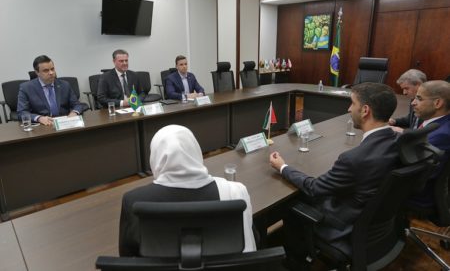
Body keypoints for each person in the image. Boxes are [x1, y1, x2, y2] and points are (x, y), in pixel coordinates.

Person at [269, 82, 400, 261]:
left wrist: (282, 167)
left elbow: (314, 187)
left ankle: (294, 261)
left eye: (352, 103)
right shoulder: (397, 140)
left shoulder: (353, 159)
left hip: (344, 225)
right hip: (377, 226)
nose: (348, 109)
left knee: (289, 202)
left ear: (365, 110)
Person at [119, 125, 256, 257]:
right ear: (195, 152)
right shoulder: (236, 192)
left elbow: (128, 258)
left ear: (155, 157)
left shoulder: (133, 201)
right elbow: (252, 241)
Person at [409, 80, 450, 208]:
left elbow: (413, 173)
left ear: (437, 103)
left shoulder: (441, 135)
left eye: (419, 99)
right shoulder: (438, 124)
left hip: (418, 198)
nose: (413, 103)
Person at [17, 55, 83, 126]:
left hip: (64, 124)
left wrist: (74, 113)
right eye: (46, 70)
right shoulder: (26, 88)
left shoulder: (64, 85)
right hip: (43, 126)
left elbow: (77, 105)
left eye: (52, 69)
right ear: (37, 72)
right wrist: (39, 118)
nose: (51, 73)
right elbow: (22, 112)